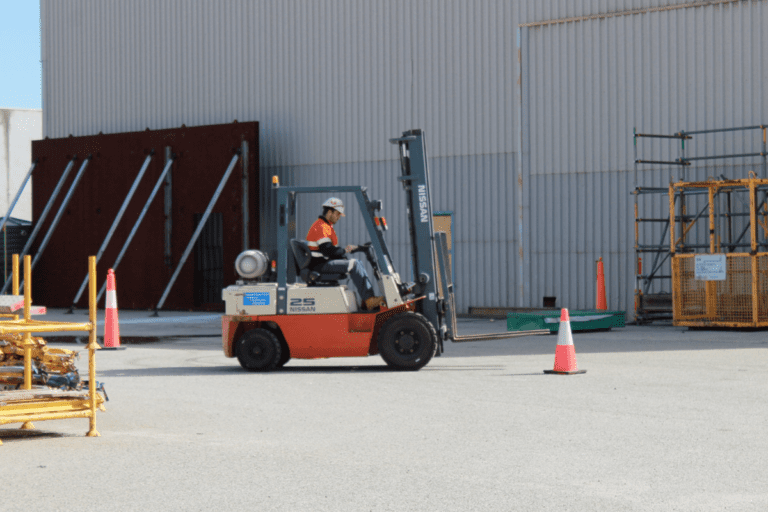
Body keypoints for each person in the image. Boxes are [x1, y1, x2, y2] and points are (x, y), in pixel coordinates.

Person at [306, 197, 385, 310]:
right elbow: (327, 250)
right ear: (329, 212)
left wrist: (345, 253)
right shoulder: (321, 227)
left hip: (323, 262)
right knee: (355, 264)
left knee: (354, 263)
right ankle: (369, 300)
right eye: (337, 214)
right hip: (320, 265)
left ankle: (367, 298)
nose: (338, 217)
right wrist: (346, 250)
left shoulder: (325, 226)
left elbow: (330, 250)